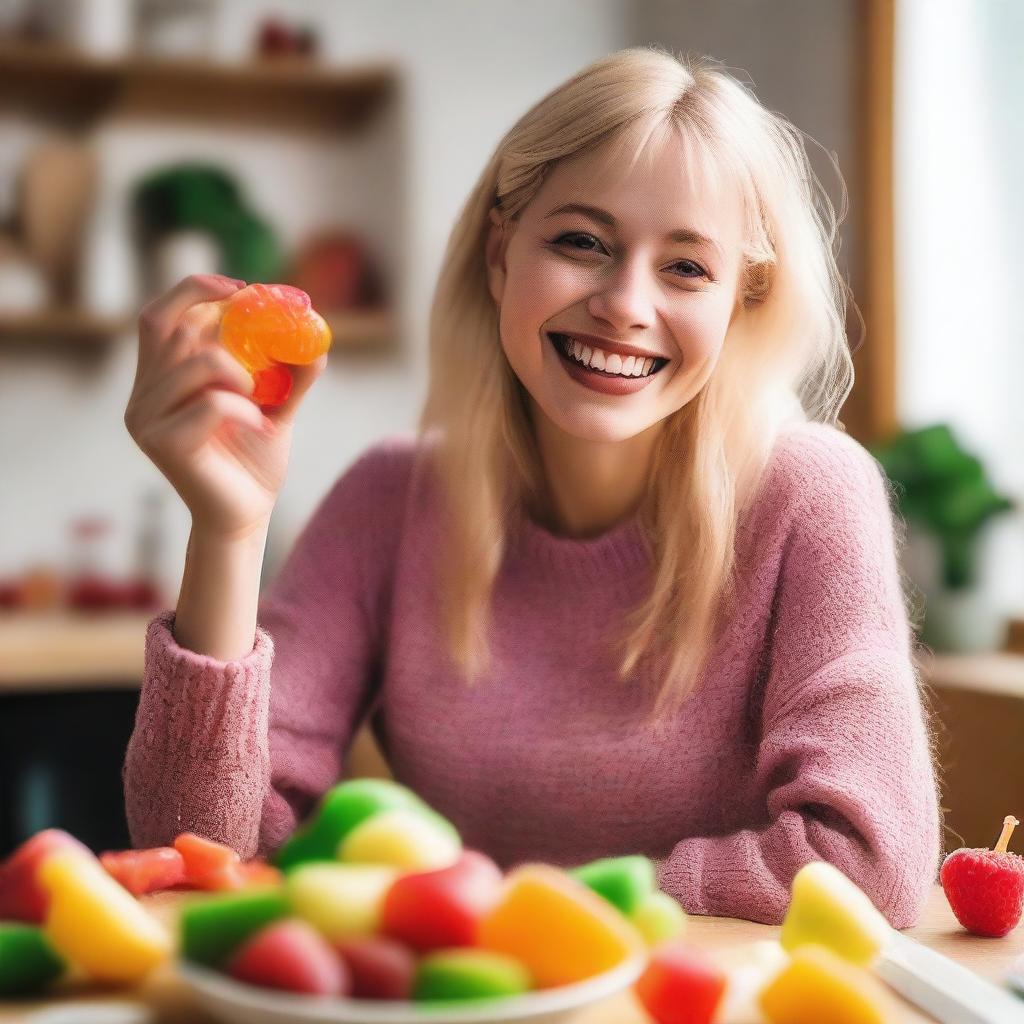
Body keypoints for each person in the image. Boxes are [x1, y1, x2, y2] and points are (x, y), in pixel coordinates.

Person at [122, 45, 941, 926]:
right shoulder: (390, 500)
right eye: (582, 242)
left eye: (687, 267)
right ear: (501, 252)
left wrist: (517, 910)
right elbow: (200, 852)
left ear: (743, 299)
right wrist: (229, 530)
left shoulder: (811, 494)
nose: (626, 303)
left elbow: (866, 864)